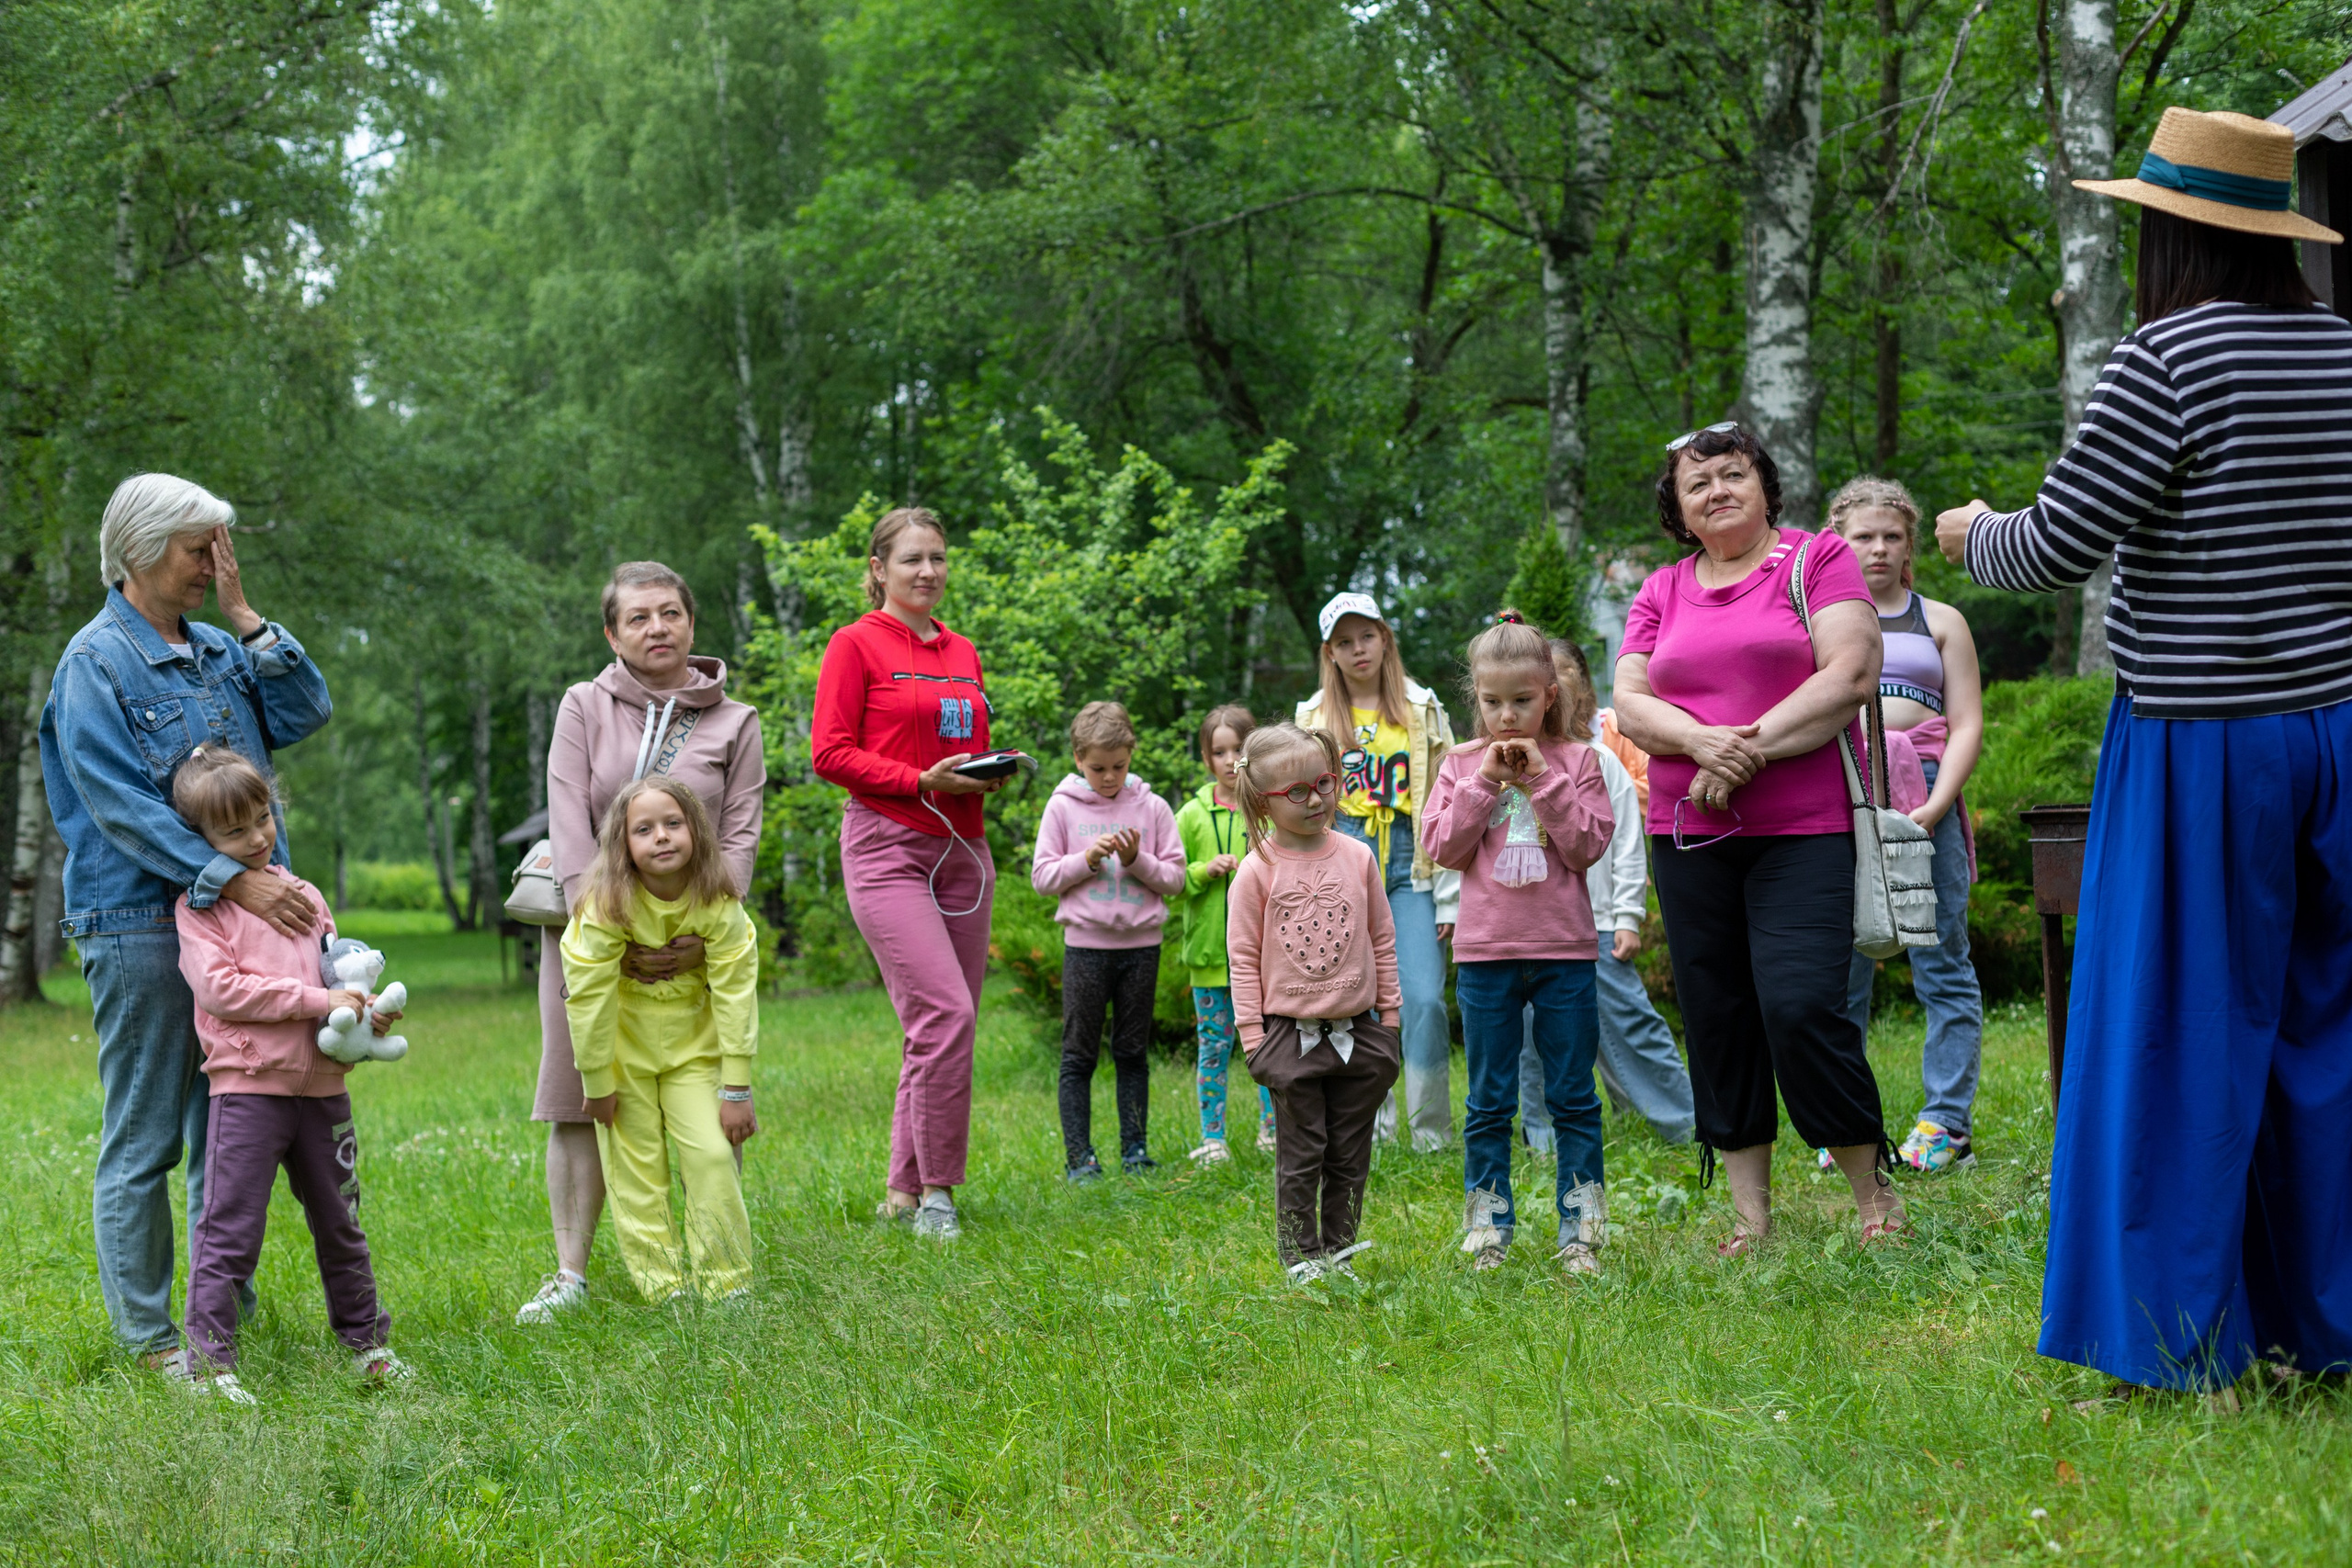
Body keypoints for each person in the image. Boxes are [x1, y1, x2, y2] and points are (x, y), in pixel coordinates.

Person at [1936, 107, 2352, 1396]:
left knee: (2172, 1030)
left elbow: (2055, 544)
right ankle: (2323, 1326)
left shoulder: (2163, 359)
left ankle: (2178, 1341)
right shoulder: (2345, 350)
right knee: (2326, 1031)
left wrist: (1967, 532)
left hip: (2201, 747)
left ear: (2170, 231)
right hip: (2338, 730)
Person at [41, 473, 334, 1383]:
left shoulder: (215, 650)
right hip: (137, 924)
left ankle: (219, 1317)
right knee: (147, 1138)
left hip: (240, 931)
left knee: (230, 1128)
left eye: (219, 548)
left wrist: (248, 618)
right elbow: (120, 808)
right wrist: (236, 882)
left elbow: (303, 712)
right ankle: (150, 1340)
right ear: (139, 551)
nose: (213, 565)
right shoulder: (94, 663)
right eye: (197, 549)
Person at [1612, 423, 1905, 1257]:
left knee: (1802, 1006)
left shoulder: (1819, 561)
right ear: (1679, 509)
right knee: (1718, 1016)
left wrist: (1739, 749)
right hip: (1688, 834)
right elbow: (1630, 701)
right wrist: (1702, 745)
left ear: (1765, 485)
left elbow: (1848, 673)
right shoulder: (1661, 589)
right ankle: (1751, 1219)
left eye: (1733, 473)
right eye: (1696, 484)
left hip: (1802, 830)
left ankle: (1870, 1191)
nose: (1717, 491)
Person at [519, 561, 764, 1325]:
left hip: (695, 938)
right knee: (579, 1098)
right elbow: (565, 819)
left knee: (705, 1102)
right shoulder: (584, 705)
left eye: (670, 613)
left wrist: (702, 930)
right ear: (612, 633)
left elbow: (741, 832)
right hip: (591, 938)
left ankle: (713, 1264)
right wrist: (605, 926)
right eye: (638, 618)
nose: (657, 628)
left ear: (693, 621)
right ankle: (571, 1273)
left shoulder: (735, 720)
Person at [172, 748, 406, 1405]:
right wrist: (316, 1002)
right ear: (202, 840)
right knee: (229, 1226)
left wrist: (364, 1021)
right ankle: (210, 1365)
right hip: (249, 1090)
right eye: (234, 830)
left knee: (341, 1222)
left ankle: (367, 1346)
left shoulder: (306, 895)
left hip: (325, 1092)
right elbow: (221, 990)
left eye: (263, 818)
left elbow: (336, 980)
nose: (256, 837)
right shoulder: (202, 908)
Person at [811, 507, 1004, 1242]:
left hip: (965, 849)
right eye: (912, 559)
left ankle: (900, 1188)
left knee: (940, 1024)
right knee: (945, 1016)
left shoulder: (963, 650)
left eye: (939, 558)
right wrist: (921, 781)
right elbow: (829, 753)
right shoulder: (855, 644)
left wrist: (987, 774)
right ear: (879, 569)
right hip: (887, 845)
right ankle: (938, 1196)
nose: (929, 571)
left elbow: (966, 741)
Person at [1423, 616, 1615, 1274]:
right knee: (1488, 1098)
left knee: (1572, 1094)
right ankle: (1488, 1229)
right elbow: (1442, 848)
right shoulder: (1456, 765)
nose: (1508, 715)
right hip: (1485, 955)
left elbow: (1588, 845)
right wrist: (1482, 782)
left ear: (1550, 695)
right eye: (1492, 701)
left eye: (1523, 700)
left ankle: (1581, 1228)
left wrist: (1541, 781)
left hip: (1564, 952)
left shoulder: (1580, 761)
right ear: (1474, 697)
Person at [1827, 478, 1985, 1174]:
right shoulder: (1815, 621)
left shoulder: (1942, 620)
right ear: (1838, 541)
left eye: (1893, 535)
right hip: (1843, 802)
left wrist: (1935, 803)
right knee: (1843, 968)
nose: (1880, 547)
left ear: (1911, 544)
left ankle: (1945, 1121)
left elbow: (1968, 723)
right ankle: (1849, 1122)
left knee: (1942, 960)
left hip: (1928, 804)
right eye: (1864, 535)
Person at [564, 778, 760, 1303]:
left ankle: (726, 1284)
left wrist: (737, 1088)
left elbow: (738, 991)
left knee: (714, 1157)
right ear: (622, 845)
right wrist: (597, 1082)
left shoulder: (718, 900)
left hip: (692, 1053)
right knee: (637, 1170)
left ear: (695, 828)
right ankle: (664, 1287)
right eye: (644, 830)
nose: (662, 838)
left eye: (673, 824)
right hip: (622, 1056)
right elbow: (587, 998)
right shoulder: (604, 905)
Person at [1232, 724, 1402, 1282]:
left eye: (1324, 783)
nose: (1315, 799)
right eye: (1296, 792)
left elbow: (1382, 937)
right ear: (1263, 801)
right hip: (1289, 1037)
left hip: (1361, 1033)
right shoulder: (1257, 871)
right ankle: (1300, 1258)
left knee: (1350, 1154)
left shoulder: (1357, 857)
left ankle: (1340, 1249)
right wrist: (1254, 1040)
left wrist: (1392, 1020)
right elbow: (1242, 959)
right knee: (1302, 1154)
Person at [1296, 592, 1460, 1151]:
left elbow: (1454, 798)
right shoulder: (1312, 717)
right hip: (1341, 861)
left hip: (1410, 863)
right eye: (1345, 641)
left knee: (1424, 998)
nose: (1358, 648)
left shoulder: (1422, 707)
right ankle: (1371, 1128)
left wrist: (1450, 893)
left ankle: (1431, 1132)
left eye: (1366, 635)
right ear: (1331, 653)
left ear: (1385, 637)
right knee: (1354, 998)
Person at [1519, 638, 1696, 1148]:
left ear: (1574, 688)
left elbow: (1625, 845)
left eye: (1564, 672)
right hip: (1526, 930)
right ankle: (1542, 1138)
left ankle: (1684, 1123)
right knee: (1534, 1038)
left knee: (1629, 1024)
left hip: (1594, 923)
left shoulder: (1598, 759)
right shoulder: (1499, 764)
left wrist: (1627, 916)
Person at [1030, 701, 1186, 1180]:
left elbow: (1175, 879)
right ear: (1078, 758)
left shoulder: (1153, 807)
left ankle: (1135, 1152)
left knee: (1132, 1051)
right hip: (1085, 948)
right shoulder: (1061, 807)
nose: (1110, 777)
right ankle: (1080, 1159)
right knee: (1078, 1054)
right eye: (1098, 768)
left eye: (1119, 766)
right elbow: (1042, 877)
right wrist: (1086, 859)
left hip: (1142, 947)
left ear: (1131, 753)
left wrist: (1137, 859)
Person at [1174, 705, 1276, 1163]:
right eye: (1219, 751)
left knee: (1271, 1048)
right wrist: (1202, 870)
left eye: (1238, 749)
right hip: (1210, 958)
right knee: (1213, 1049)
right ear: (1206, 758)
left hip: (1264, 960)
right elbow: (1171, 877)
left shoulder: (1271, 809)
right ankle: (1212, 1138)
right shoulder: (1191, 814)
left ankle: (1272, 1132)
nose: (1229, 759)